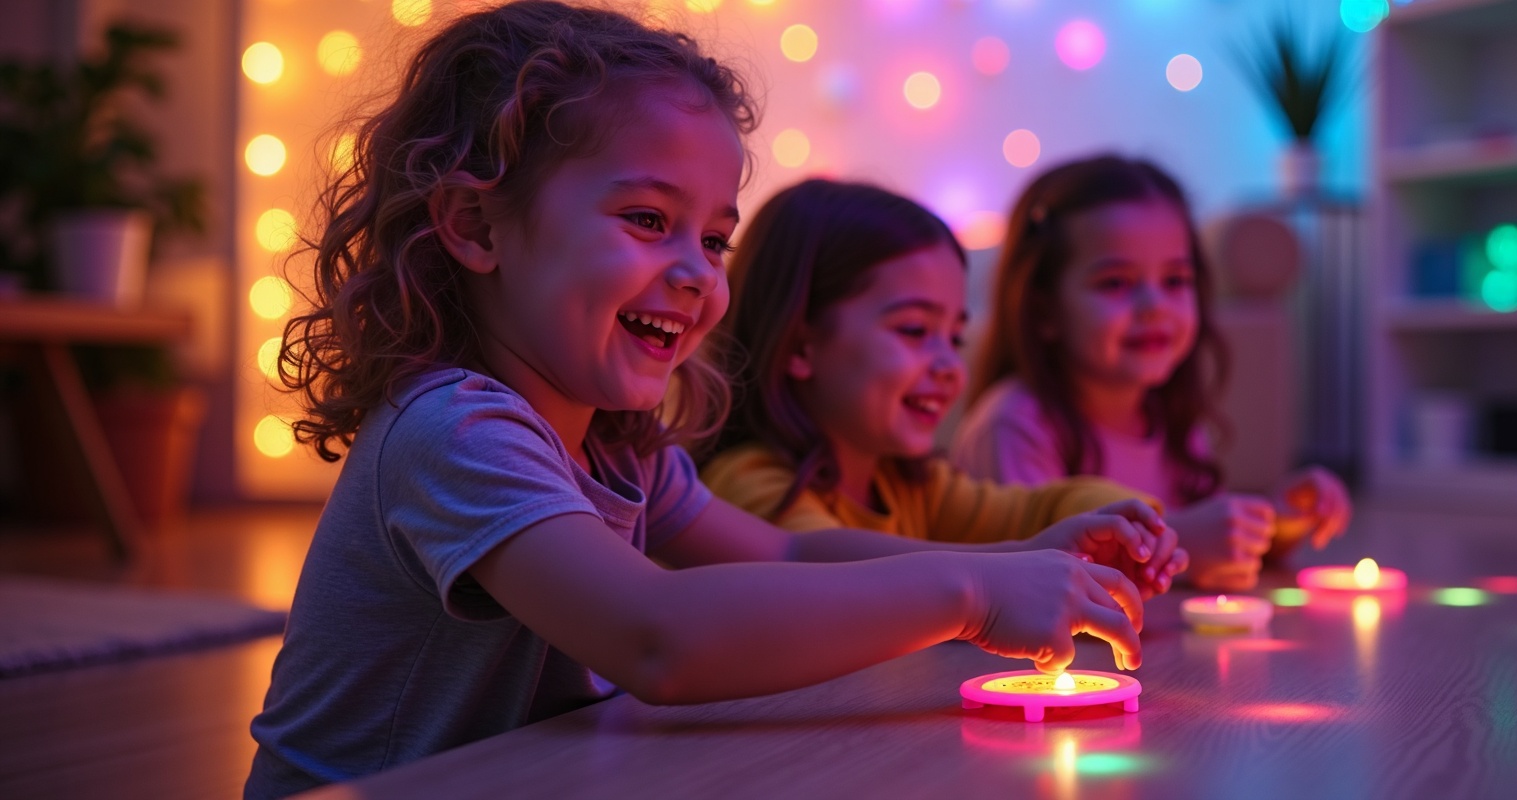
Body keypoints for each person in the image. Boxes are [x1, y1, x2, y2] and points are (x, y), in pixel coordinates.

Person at [245, 6, 1174, 796]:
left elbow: (793, 551)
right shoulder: (453, 428)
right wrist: (972, 594)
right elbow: (660, 639)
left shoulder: (618, 449)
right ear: (475, 225)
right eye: (649, 221)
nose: (696, 275)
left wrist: (1016, 558)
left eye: (716, 240)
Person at [700, 179, 1187, 596]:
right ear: (800, 347)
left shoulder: (917, 489)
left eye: (955, 337)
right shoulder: (748, 486)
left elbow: (1035, 507)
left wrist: (1123, 522)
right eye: (914, 330)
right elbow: (834, 576)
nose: (951, 366)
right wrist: (1022, 562)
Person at [952, 155, 1351, 592]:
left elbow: (1213, 546)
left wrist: (1279, 521)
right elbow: (1032, 577)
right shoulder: (1014, 426)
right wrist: (1185, 544)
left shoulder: (1167, 417)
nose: (1154, 306)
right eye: (1115, 283)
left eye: (1176, 281)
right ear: (1044, 310)